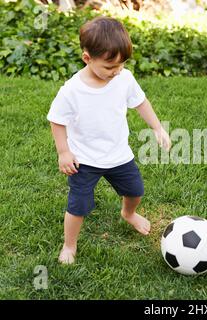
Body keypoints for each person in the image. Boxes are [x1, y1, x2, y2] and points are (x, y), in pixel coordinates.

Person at [47, 16, 171, 264]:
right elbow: (57, 120)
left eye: (121, 65)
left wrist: (157, 127)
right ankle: (69, 245)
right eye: (109, 67)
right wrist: (64, 152)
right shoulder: (72, 90)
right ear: (87, 58)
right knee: (78, 206)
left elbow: (140, 103)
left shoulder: (124, 79)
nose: (116, 72)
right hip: (84, 159)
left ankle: (128, 213)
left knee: (135, 191)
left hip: (118, 155)